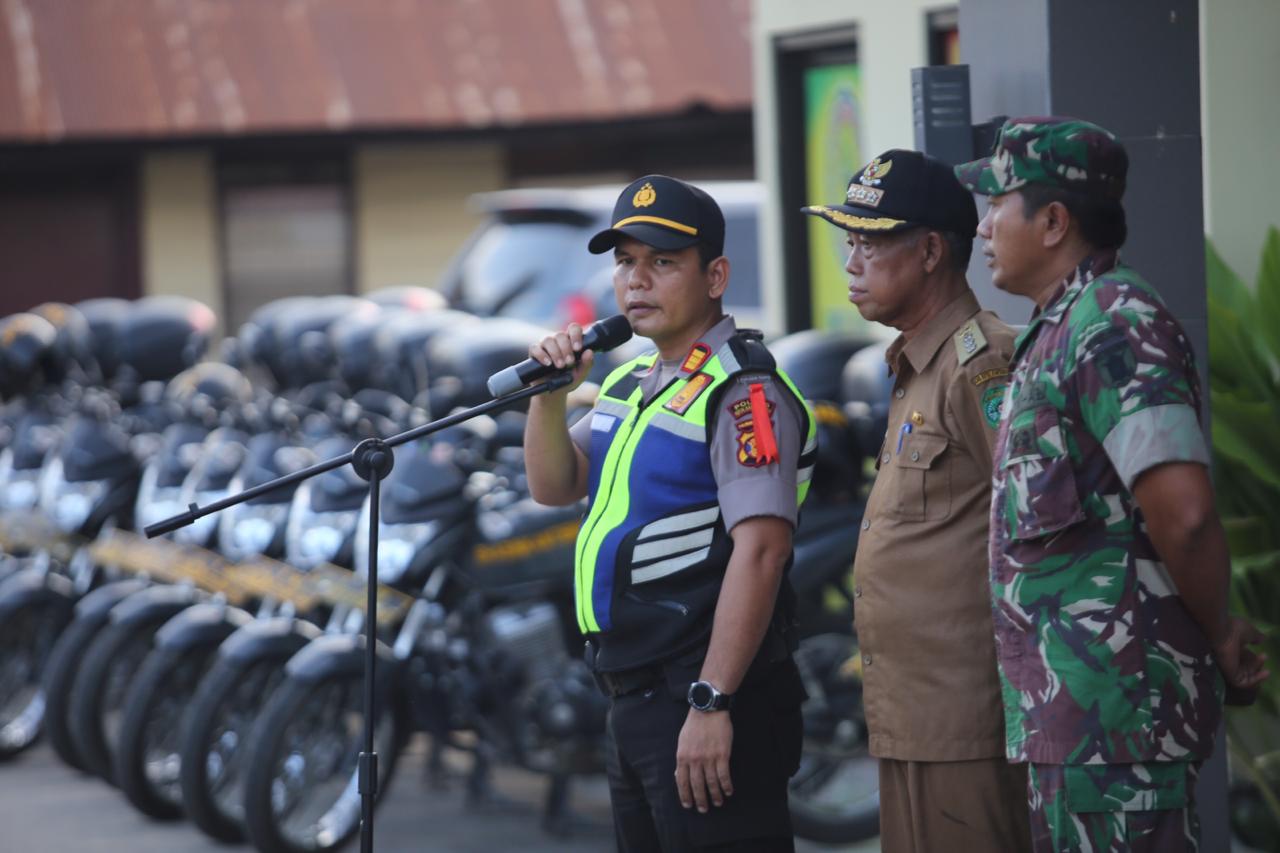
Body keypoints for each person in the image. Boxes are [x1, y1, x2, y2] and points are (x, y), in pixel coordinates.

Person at [954, 117, 1270, 852]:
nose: (982, 228)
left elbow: (1184, 514)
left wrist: (1221, 632)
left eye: (995, 203)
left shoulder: (1114, 322)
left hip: (1118, 727)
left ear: (1054, 220)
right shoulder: (1060, 326)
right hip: (1077, 727)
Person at [523, 174, 817, 852]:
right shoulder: (630, 380)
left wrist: (711, 701)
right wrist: (547, 396)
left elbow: (763, 550)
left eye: (662, 261)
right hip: (634, 696)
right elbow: (554, 484)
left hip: (704, 693)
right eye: (625, 261)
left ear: (715, 275)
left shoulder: (744, 392)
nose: (637, 282)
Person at [802, 150, 1031, 852]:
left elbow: (1037, 526)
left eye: (870, 242)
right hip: (913, 718)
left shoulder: (979, 364)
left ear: (931, 250)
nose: (851, 261)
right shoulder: (911, 368)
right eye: (849, 241)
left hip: (967, 719)